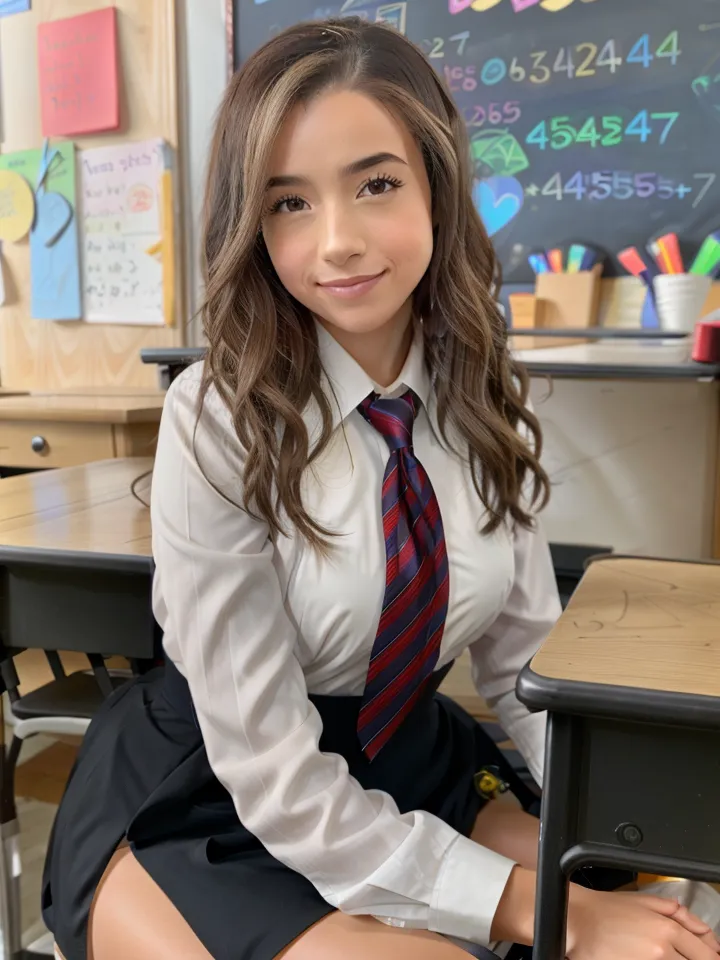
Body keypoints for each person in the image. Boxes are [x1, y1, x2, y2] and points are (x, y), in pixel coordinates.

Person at [42, 18, 720, 960]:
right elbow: (274, 771)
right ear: (250, 223)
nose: (339, 242)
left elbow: (524, 668)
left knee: (672, 919)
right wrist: (550, 909)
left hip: (404, 755)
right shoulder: (218, 415)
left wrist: (628, 835)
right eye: (288, 204)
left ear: (436, 186)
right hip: (220, 789)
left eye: (376, 184)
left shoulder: (481, 387)